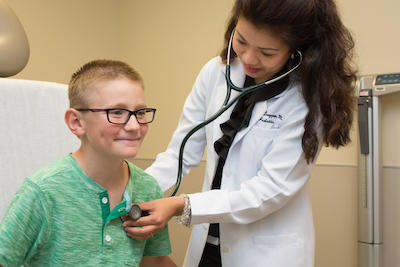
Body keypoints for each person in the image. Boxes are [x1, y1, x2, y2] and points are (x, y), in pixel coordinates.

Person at [122, 0, 357, 266]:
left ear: (297, 49)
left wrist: (182, 205)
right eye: (241, 41)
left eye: (267, 52)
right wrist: (132, 190)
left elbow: (269, 190)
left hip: (266, 254)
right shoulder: (215, 73)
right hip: (206, 246)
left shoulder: (305, 98)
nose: (248, 58)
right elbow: (180, 153)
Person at [0, 60, 176, 267]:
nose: (134, 125)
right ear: (76, 122)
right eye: (117, 112)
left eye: (140, 112)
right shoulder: (43, 192)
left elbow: (154, 261)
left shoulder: (147, 188)